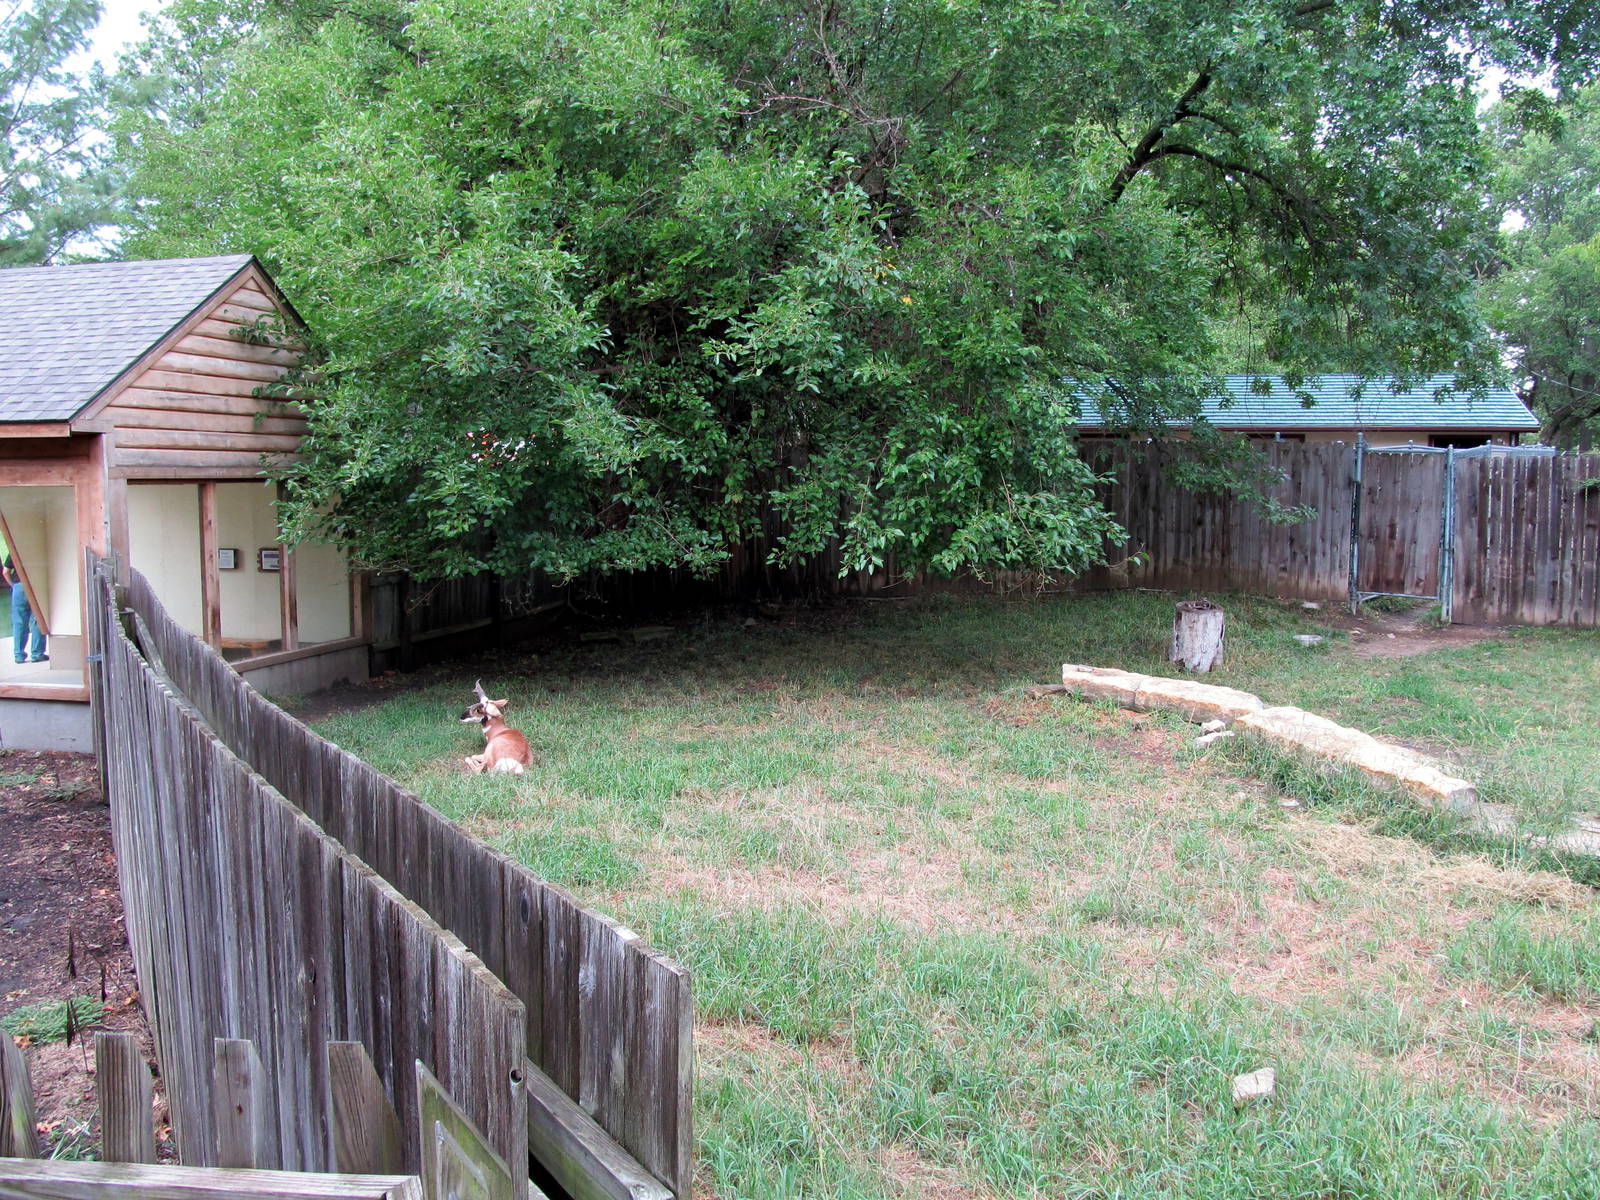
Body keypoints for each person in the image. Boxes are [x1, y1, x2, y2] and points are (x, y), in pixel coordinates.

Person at [2, 554, 46, 664]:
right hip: (36, 585)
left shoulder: (13, 550)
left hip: (18, 586)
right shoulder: (35, 548)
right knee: (38, 620)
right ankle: (37, 653)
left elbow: (5, 572)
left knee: (19, 622)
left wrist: (13, 586)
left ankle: (19, 655)